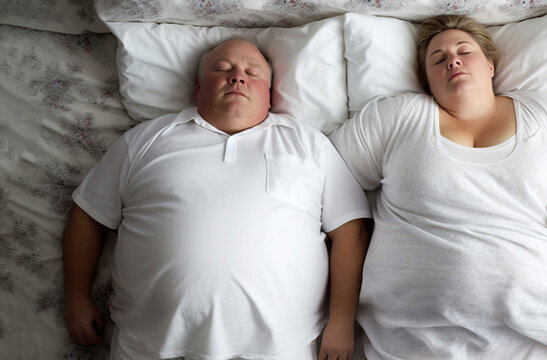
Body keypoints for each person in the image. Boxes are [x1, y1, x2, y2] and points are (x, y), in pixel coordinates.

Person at [330, 15, 547, 360]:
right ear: (427, 80)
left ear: (491, 66)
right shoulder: (399, 118)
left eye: (464, 51)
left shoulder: (546, 112)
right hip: (424, 340)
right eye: (438, 58)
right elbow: (325, 177)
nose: (453, 60)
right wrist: (339, 316)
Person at [63, 38, 371, 360]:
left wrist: (341, 320)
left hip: (279, 350)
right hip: (150, 347)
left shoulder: (309, 145)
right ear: (197, 87)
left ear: (270, 93)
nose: (237, 77)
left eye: (252, 72)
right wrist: (76, 297)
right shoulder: (146, 140)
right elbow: (88, 213)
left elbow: (351, 230)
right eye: (223, 69)